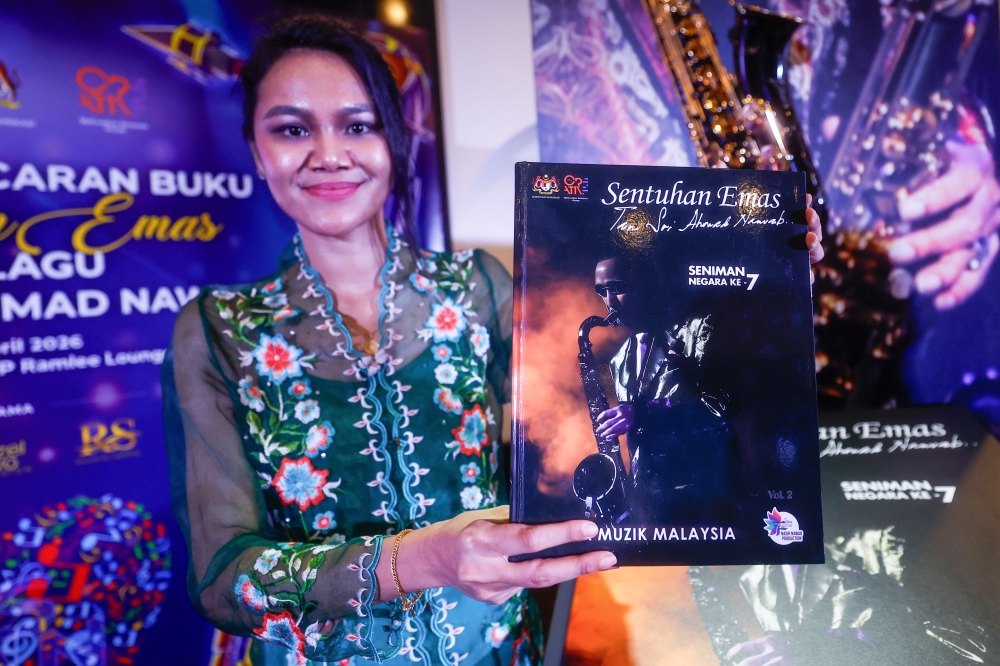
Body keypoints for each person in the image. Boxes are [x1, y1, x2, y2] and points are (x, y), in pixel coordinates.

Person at [161, 16, 617, 666]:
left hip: (498, 653)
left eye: (357, 124)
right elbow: (222, 578)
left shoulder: (477, 289)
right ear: (259, 153)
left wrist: (757, 277)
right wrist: (417, 561)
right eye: (292, 129)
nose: (328, 152)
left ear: (395, 140)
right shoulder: (220, 330)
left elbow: (599, 424)